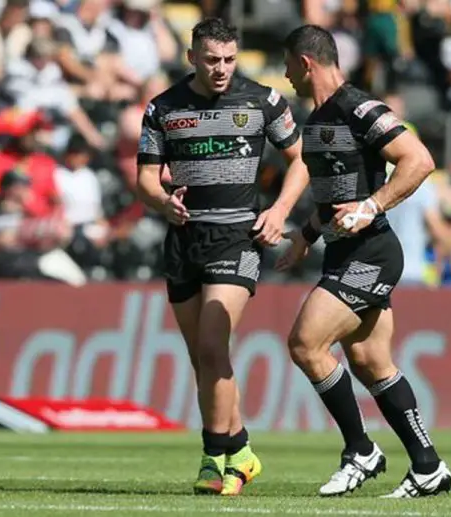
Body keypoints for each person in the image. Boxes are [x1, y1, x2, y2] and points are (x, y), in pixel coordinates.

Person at [276, 24, 451, 499]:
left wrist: (372, 206)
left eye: (288, 65)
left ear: (305, 63)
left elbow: (419, 160)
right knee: (370, 362)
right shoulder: (316, 120)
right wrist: (305, 236)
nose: (286, 74)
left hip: (372, 252)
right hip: (342, 252)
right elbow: (336, 199)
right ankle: (428, 466)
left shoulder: (360, 107)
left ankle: (361, 450)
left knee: (306, 344)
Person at [136, 18, 308, 496]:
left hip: (237, 238)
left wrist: (280, 210)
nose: (221, 69)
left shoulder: (263, 100)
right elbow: (146, 178)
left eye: (230, 59)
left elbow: (301, 159)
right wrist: (162, 202)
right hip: (184, 239)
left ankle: (213, 459)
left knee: (213, 344)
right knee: (204, 360)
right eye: (212, 59)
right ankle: (242, 451)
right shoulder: (163, 108)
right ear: (191, 56)